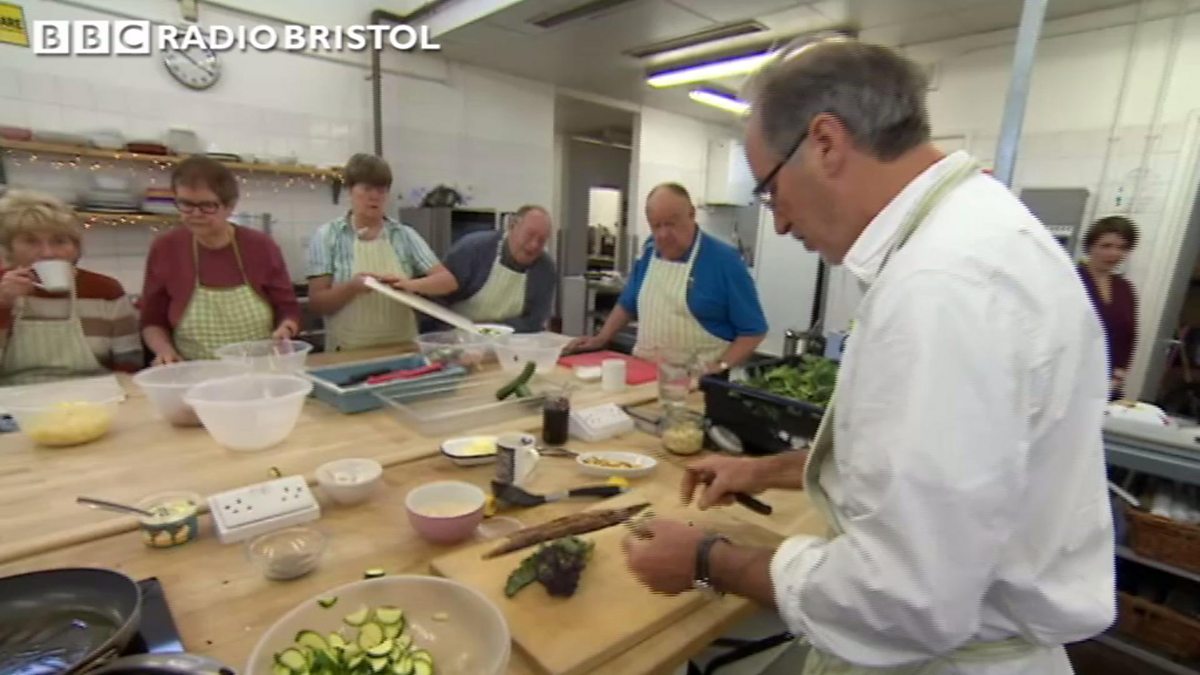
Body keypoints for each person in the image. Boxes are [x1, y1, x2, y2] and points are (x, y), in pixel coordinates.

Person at [622, 39, 1114, 675]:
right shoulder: (982, 229)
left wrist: (706, 559)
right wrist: (763, 470)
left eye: (771, 191)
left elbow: (904, 600)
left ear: (826, 143)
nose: (779, 224)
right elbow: (927, 470)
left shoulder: (942, 286)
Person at [568, 183, 766, 372]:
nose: (663, 234)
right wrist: (601, 339)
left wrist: (720, 366)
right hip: (644, 374)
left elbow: (753, 331)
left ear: (691, 214)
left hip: (698, 382)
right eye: (656, 226)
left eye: (671, 224)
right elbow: (628, 303)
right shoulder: (649, 251)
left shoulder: (725, 261)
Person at [141, 157, 301, 363]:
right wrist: (164, 351)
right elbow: (152, 321)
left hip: (258, 368)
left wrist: (286, 329)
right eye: (186, 204)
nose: (195, 214)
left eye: (207, 205)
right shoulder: (165, 248)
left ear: (230, 206)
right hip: (194, 371)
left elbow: (288, 309)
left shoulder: (261, 246)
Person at [307, 154, 457, 350]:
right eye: (366, 188)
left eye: (381, 189)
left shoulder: (404, 235)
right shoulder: (328, 236)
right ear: (350, 190)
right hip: (347, 352)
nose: (374, 196)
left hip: (403, 348)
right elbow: (317, 303)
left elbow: (447, 282)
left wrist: (409, 285)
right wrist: (352, 287)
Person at [0, 190, 142, 384]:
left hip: (94, 395)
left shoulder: (105, 291)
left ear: (75, 248)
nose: (48, 253)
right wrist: (3, 305)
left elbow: (130, 362)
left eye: (59, 241)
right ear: (10, 249)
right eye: (30, 241)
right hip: (16, 397)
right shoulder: (2, 288)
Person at [431, 205, 556, 332]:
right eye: (529, 235)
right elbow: (436, 299)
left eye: (541, 240)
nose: (534, 245)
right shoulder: (472, 249)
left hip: (510, 339)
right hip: (456, 334)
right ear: (512, 226)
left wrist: (494, 331)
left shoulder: (545, 270)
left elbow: (534, 321)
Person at [1078, 216, 1138, 399]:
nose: (1114, 253)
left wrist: (1120, 371)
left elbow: (1129, 335)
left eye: (1122, 247)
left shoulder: (1124, 288)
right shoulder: (1072, 281)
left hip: (1109, 381)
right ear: (1090, 246)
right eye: (1106, 246)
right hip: (1072, 376)